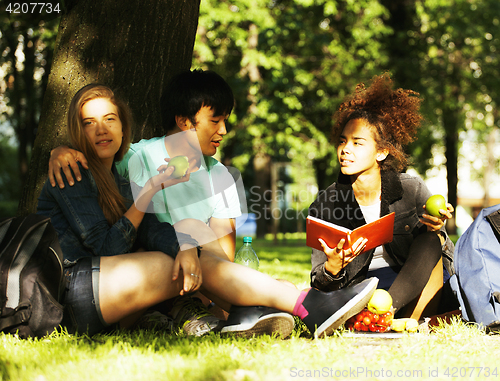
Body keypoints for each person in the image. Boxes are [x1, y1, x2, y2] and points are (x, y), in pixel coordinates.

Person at [37, 83, 380, 338]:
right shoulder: (73, 171)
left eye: (110, 119)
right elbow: (106, 248)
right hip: (69, 294)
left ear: (123, 125)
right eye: (88, 122)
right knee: (169, 256)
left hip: (106, 291)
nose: (101, 129)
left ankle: (298, 304)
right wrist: (151, 193)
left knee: (186, 243)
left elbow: (151, 229)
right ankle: (304, 304)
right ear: (77, 130)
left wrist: (186, 247)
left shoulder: (118, 175)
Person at [46, 70, 243, 335]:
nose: (223, 131)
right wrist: (59, 152)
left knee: (193, 228)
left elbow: (223, 258)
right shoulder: (134, 159)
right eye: (216, 120)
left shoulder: (221, 178)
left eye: (225, 121)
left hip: (194, 279)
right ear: (185, 121)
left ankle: (251, 307)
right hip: (132, 278)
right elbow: (96, 159)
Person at [309, 73, 455, 320]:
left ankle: (388, 315)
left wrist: (438, 228)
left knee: (431, 241)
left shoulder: (410, 189)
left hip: (409, 287)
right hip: (360, 290)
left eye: (358, 143)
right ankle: (392, 319)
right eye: (343, 141)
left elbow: (438, 256)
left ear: (381, 152)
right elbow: (319, 280)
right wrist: (332, 268)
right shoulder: (326, 203)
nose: (345, 149)